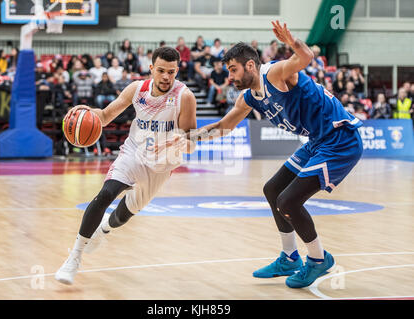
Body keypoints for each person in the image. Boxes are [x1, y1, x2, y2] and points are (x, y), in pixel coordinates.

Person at [172, 21, 363, 289]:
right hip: (317, 140)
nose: (231, 77)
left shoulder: (275, 74)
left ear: (250, 65)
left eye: (233, 69)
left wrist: (292, 40)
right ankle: (289, 257)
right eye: (228, 71)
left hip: (340, 139)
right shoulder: (249, 97)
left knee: (288, 201)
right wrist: (185, 138)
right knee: (273, 190)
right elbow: (223, 127)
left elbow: (306, 57)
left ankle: (319, 259)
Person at [55, 47, 197, 285]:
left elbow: (191, 143)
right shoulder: (137, 89)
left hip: (161, 166)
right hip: (133, 152)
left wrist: (181, 141)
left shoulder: (185, 96)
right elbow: (105, 115)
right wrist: (83, 113)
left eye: (171, 72)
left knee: (123, 216)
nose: (165, 77)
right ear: (151, 68)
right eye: (161, 70)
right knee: (106, 194)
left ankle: (105, 229)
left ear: (177, 71)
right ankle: (74, 256)